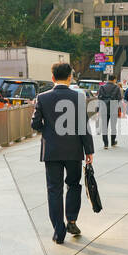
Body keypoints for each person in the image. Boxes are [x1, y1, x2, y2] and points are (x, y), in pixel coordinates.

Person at [32, 63, 94, 243]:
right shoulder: (79, 97)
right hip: (74, 150)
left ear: (52, 78)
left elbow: (35, 124)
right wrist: (88, 150)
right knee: (74, 185)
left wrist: (48, 131)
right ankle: (72, 220)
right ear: (70, 77)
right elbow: (84, 126)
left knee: (54, 190)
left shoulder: (42, 98)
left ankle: (59, 231)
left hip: (51, 151)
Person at [96, 78, 122, 148]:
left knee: (104, 127)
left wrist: (97, 109)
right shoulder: (117, 87)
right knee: (113, 126)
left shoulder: (102, 87)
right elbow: (119, 98)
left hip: (104, 108)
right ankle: (113, 142)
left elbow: (99, 98)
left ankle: (106, 144)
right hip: (114, 108)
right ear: (114, 80)